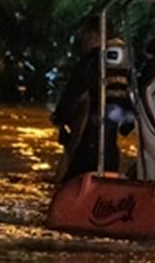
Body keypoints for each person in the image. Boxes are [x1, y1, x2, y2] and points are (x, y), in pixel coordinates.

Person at [51, 16, 123, 182]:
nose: (81, 39)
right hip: (111, 152)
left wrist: (59, 117)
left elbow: (69, 103)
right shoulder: (119, 68)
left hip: (85, 150)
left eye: (83, 34)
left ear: (92, 35)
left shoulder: (88, 64)